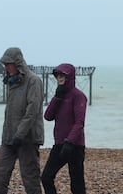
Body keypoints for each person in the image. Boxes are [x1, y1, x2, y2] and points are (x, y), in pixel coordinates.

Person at [0, 47, 44, 194]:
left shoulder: (33, 81)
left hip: (28, 138)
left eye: (8, 64)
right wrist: (9, 135)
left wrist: (20, 134)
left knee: (30, 178)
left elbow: (32, 111)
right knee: (0, 175)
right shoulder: (11, 81)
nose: (6, 67)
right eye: (4, 64)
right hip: (9, 137)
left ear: (18, 63)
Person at [41, 63, 87, 194]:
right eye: (58, 75)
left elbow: (79, 122)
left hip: (75, 146)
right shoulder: (59, 96)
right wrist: (57, 97)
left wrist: (70, 141)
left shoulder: (78, 96)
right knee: (46, 177)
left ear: (70, 76)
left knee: (77, 184)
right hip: (59, 144)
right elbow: (48, 116)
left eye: (63, 75)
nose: (59, 78)